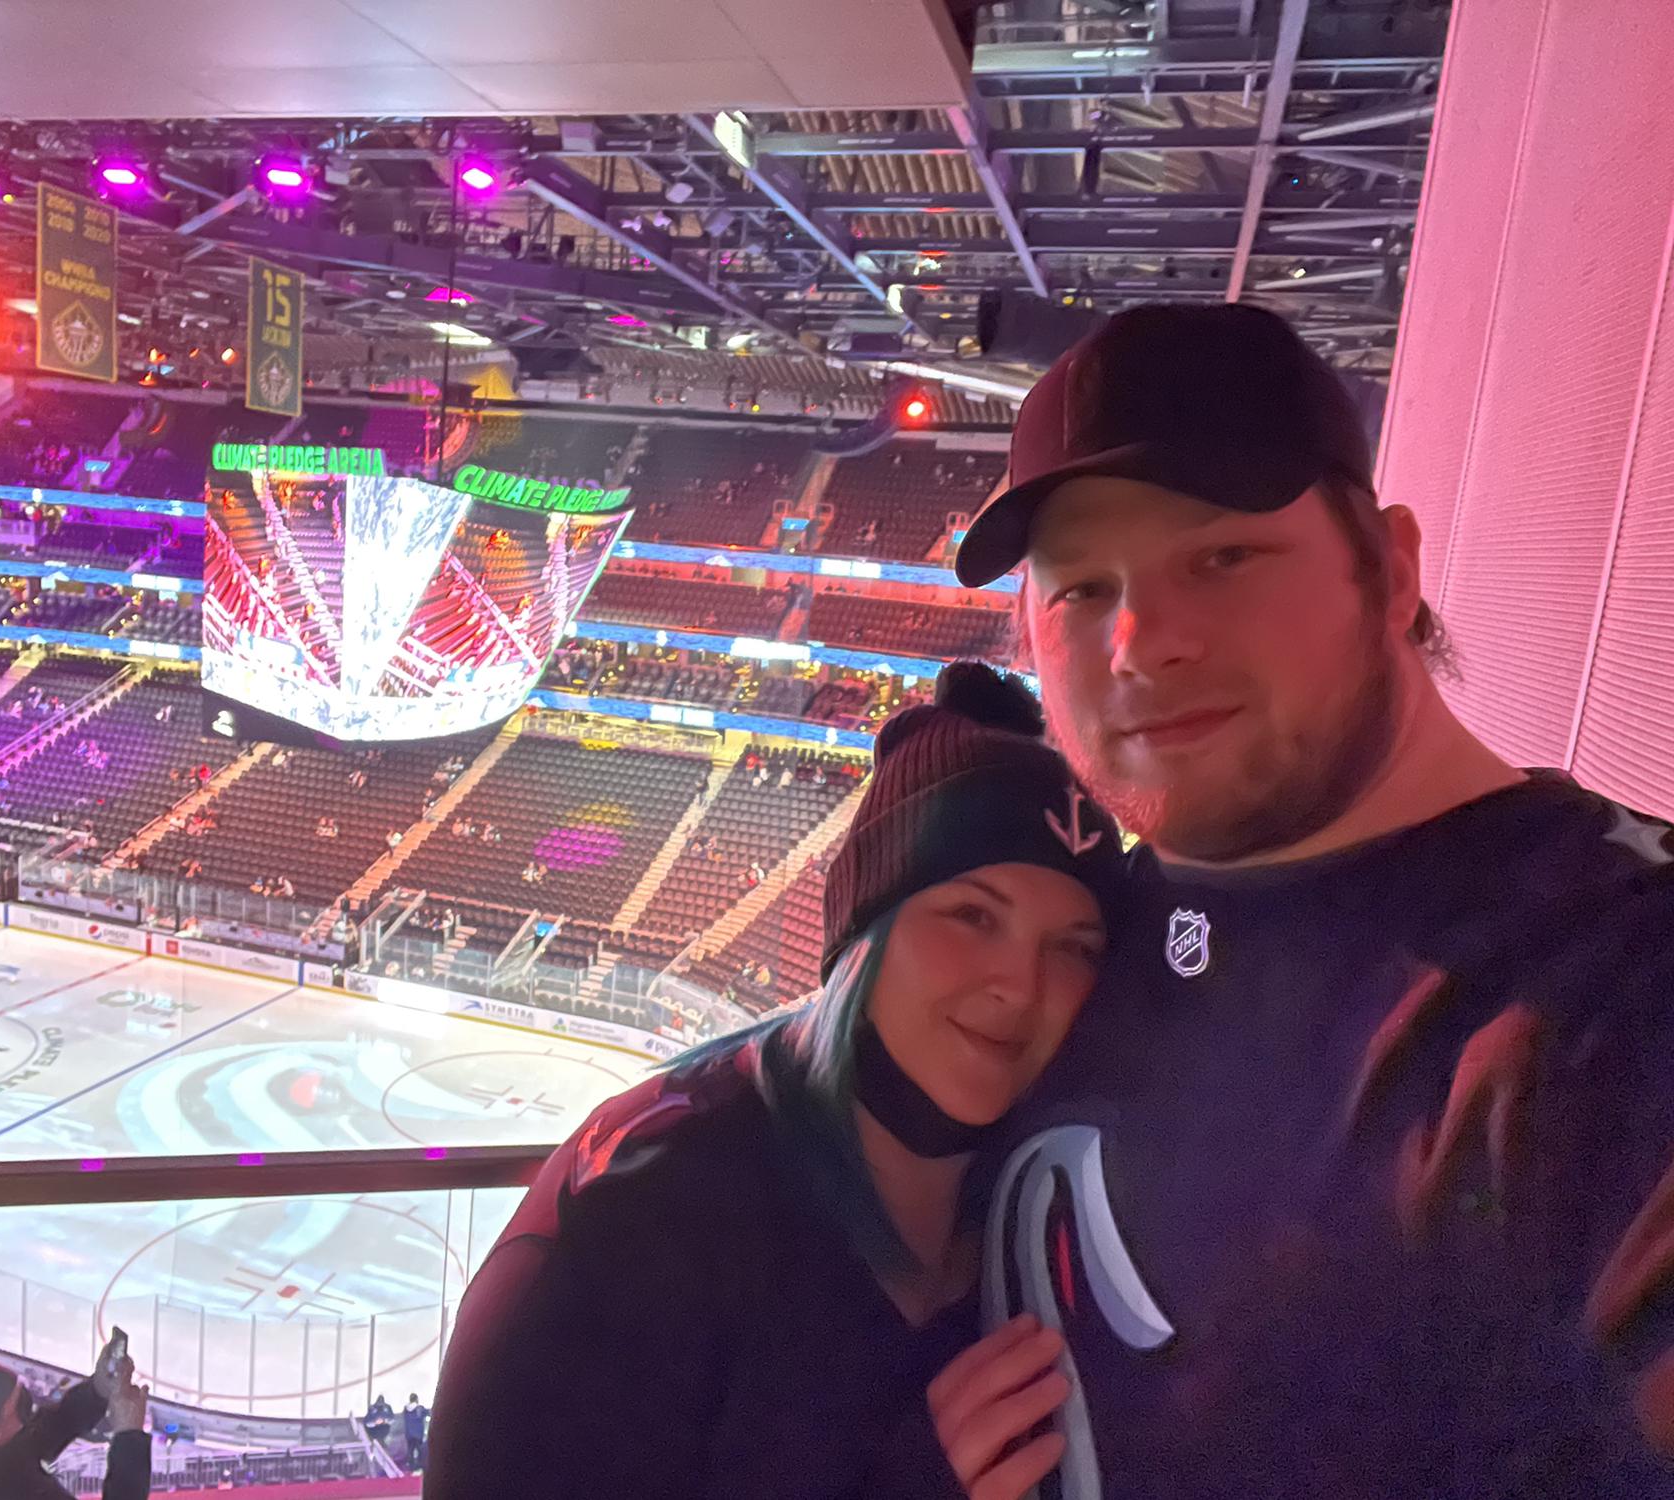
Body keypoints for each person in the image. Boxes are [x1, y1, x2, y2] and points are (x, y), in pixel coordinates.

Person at [950, 302, 1674, 1497]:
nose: (1139, 642)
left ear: (1389, 570)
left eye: (1221, 558)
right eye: (1079, 588)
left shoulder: (1616, 982)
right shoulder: (1066, 941)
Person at [427, 662, 1126, 1499]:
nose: (1022, 985)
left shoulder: (1050, 1205)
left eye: (1074, 947)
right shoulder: (650, 1206)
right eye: (972, 915)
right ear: (865, 933)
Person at [0, 1336, 149, 1500]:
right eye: (22, 1408)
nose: (30, 1416)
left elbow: (36, 1437)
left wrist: (97, 1391)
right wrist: (129, 1436)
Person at [403, 1394, 429, 1473]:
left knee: (410, 1451)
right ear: (417, 1399)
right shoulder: (420, 1408)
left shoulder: (405, 1409)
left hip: (409, 1433)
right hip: (418, 1433)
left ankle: (411, 1468)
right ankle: (420, 1466)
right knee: (420, 1450)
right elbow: (428, 1413)